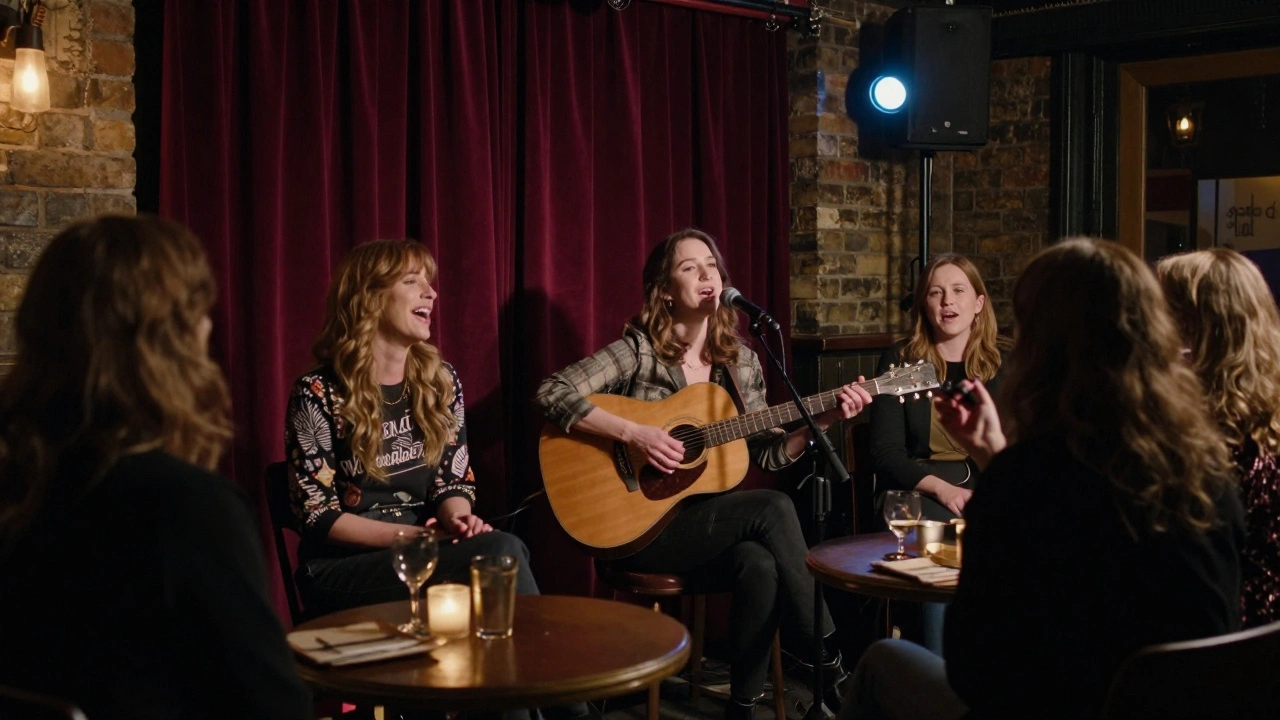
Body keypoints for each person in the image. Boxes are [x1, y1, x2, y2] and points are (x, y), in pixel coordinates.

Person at [841, 238, 1244, 720]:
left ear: (1042, 348)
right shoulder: (1205, 466)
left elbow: (974, 672)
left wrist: (1000, 478)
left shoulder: (1032, 478)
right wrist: (995, 461)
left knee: (883, 661)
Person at [535, 228, 873, 720]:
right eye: (689, 267)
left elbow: (768, 456)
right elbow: (552, 392)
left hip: (704, 524)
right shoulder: (639, 351)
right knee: (774, 507)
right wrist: (635, 434)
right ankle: (830, 665)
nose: (706, 274)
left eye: (711, 265)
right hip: (639, 523)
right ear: (665, 291)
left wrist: (823, 420)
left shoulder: (742, 362)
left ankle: (743, 706)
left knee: (758, 563)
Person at [0, 216, 313, 719]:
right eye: (198, 310)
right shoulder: (188, 508)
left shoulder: (18, 484)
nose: (209, 326)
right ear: (169, 342)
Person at [286, 239, 537, 616]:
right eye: (411, 280)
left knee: (501, 549)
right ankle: (548, 662)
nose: (431, 292)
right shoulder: (318, 392)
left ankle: (519, 667)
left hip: (424, 551)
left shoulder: (439, 381)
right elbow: (317, 515)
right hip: (340, 569)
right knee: (500, 552)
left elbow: (452, 481)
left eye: (429, 281)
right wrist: (421, 539)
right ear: (369, 297)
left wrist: (457, 520)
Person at [1158, 248, 1280, 628]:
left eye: (1160, 311)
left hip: (1220, 654)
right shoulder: (1267, 414)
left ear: (1193, 329)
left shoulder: (1199, 439)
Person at [869, 254, 1008, 523]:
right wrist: (943, 490)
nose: (948, 301)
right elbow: (886, 452)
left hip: (987, 486)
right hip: (918, 490)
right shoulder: (900, 360)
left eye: (958, 290)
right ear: (925, 304)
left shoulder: (1006, 362)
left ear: (979, 303)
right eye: (936, 292)